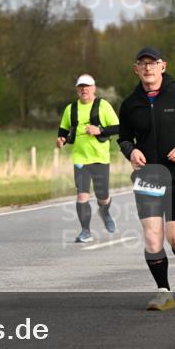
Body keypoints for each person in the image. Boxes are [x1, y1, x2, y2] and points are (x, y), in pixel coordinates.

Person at [118, 47, 175, 311]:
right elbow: (124, 137)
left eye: (153, 63)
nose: (148, 68)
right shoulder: (130, 104)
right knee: (152, 237)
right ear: (136, 69)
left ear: (163, 66)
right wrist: (131, 151)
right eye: (143, 63)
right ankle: (163, 291)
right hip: (147, 177)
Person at [57, 74, 121, 243]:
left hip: (100, 158)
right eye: (81, 87)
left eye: (87, 86)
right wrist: (61, 139)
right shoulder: (70, 109)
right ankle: (85, 231)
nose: (84, 89)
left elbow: (118, 128)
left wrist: (99, 130)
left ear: (94, 88)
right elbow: (63, 130)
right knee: (81, 195)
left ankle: (105, 211)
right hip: (80, 159)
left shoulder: (103, 106)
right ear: (77, 89)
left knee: (102, 196)